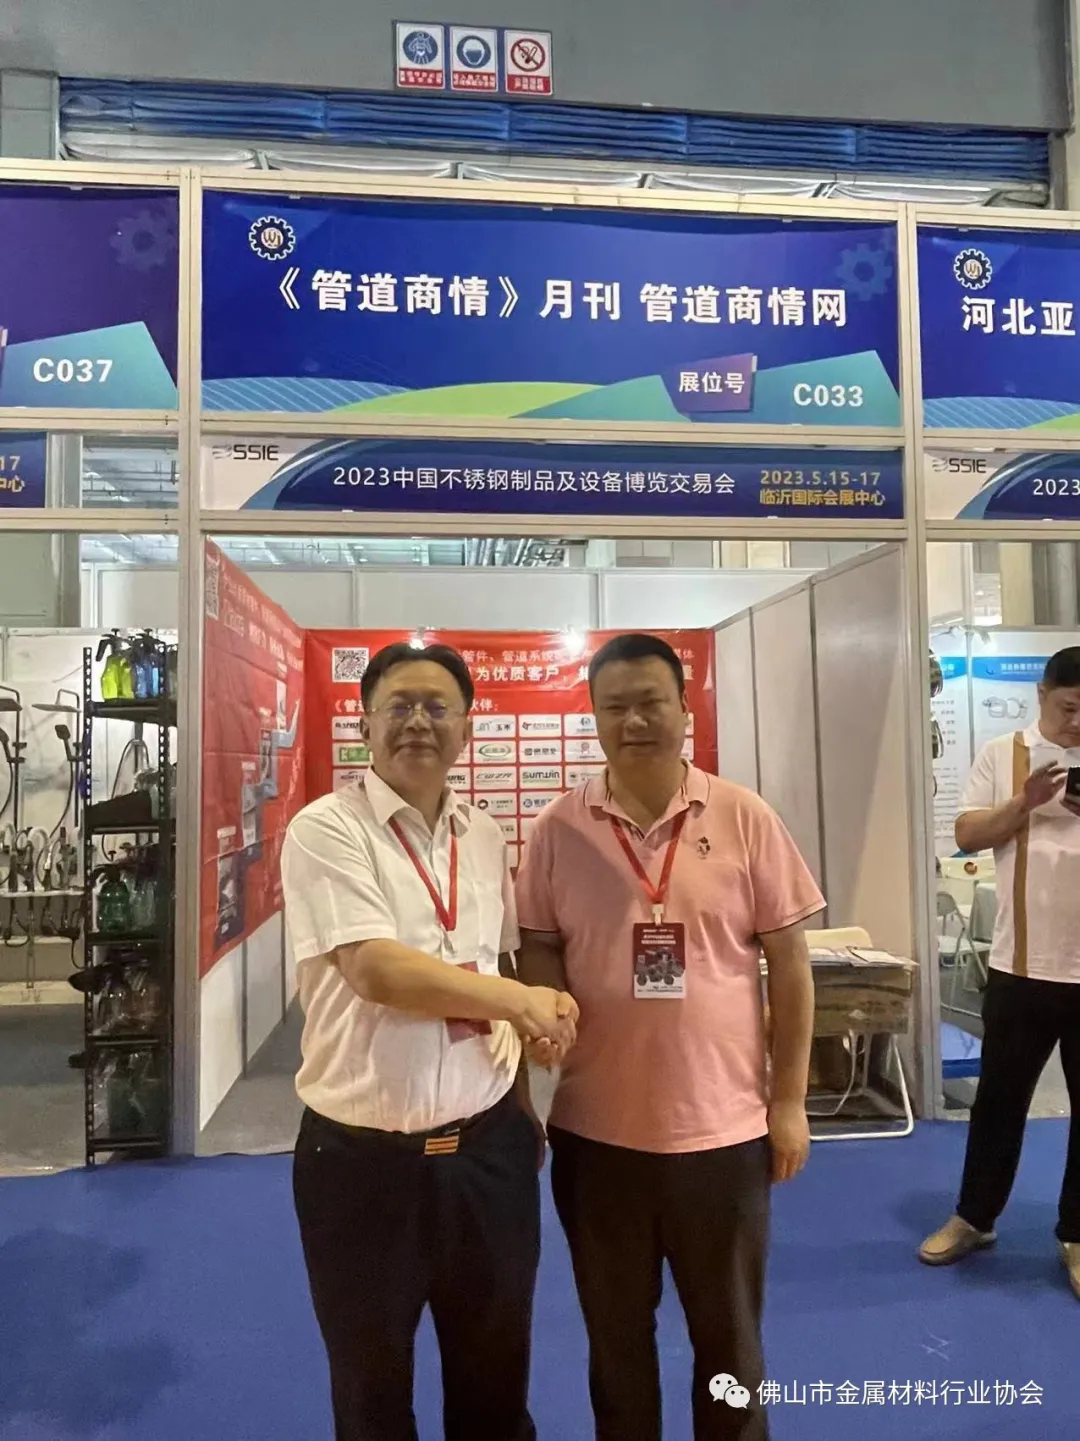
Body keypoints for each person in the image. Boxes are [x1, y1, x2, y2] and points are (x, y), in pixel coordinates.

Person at [514, 632, 824, 1441]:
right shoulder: (558, 828)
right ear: (593, 716)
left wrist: (788, 1102)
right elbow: (537, 944)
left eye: (651, 701)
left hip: (722, 1133)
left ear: (686, 708)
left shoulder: (744, 815)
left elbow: (792, 966)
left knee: (730, 1344)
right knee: (616, 1343)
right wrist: (547, 1001)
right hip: (595, 1136)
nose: (634, 721)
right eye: (614, 706)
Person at [281, 641, 578, 1441]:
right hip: (362, 1165)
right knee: (372, 1393)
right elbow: (377, 968)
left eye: (438, 706)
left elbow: (496, 960)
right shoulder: (326, 829)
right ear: (365, 723)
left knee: (496, 1382)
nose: (418, 721)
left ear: (466, 728)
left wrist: (524, 1089)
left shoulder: (482, 834)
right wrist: (523, 1001)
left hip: (488, 1150)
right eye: (400, 705)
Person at [919, 647, 1080, 1301]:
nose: (1077, 722)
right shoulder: (1002, 753)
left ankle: (1078, 1233)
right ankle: (975, 1217)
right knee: (999, 1102)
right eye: (1069, 707)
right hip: (1021, 967)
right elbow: (967, 833)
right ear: (1042, 695)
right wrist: (1026, 803)